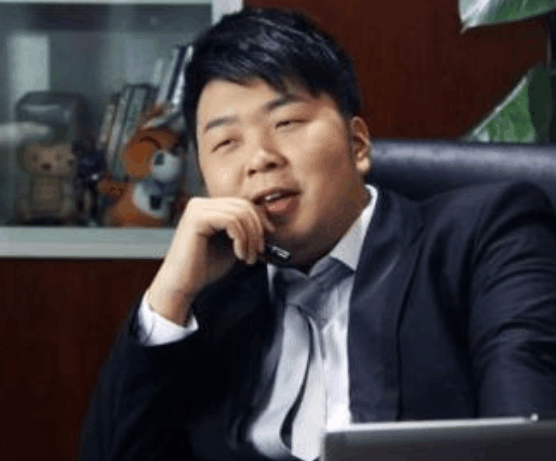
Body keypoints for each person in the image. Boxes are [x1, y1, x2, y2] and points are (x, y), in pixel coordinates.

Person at [79, 7, 556, 461]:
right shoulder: (210, 300)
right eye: (225, 142)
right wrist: (169, 296)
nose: (259, 158)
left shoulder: (485, 236)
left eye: (286, 123)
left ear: (357, 144)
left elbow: (521, 445)